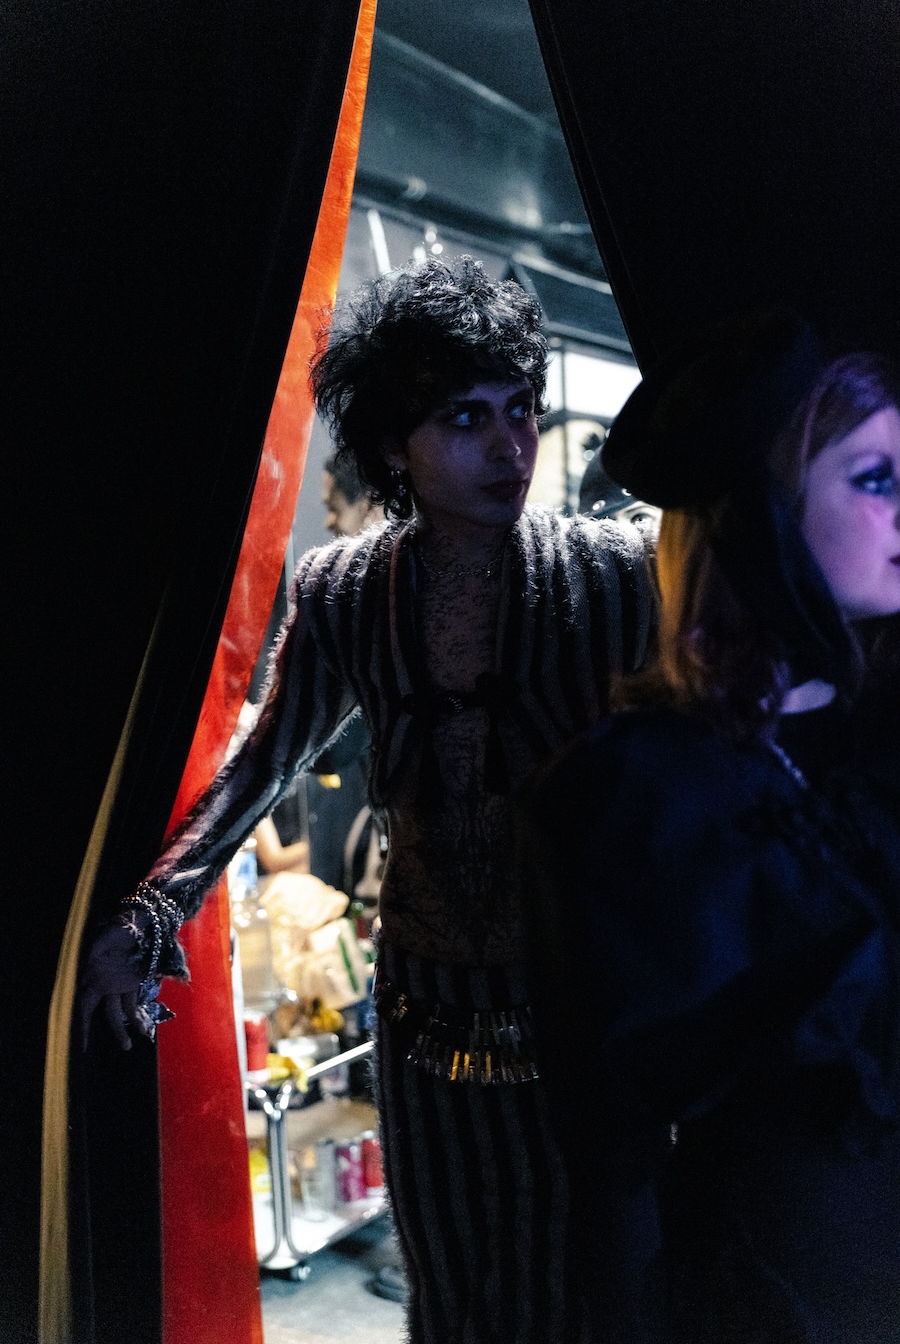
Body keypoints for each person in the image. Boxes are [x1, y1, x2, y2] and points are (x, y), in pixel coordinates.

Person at [80, 255, 656, 1343]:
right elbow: (266, 761)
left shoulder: (615, 572)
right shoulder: (346, 589)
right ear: (396, 444)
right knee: (451, 1297)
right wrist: (149, 915)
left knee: (589, 1295)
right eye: (466, 418)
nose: (511, 446)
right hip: (422, 1020)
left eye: (521, 407)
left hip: (585, 1017)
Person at [521, 311, 900, 1343]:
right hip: (774, 1296)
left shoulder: (881, 749)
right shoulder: (633, 795)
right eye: (874, 478)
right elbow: (611, 1157)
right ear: (766, 509)